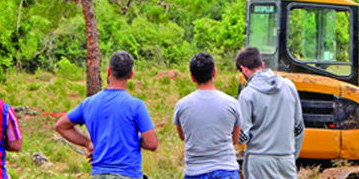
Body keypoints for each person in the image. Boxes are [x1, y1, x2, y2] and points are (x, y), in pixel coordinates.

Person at [54, 51, 158, 179]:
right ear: (131, 74)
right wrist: (135, 140)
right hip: (128, 174)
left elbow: (61, 126)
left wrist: (87, 143)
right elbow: (152, 144)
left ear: (108, 71)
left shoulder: (89, 103)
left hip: (99, 174)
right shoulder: (136, 105)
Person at [235, 47, 304, 179]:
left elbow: (243, 137)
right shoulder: (289, 86)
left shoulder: (247, 94)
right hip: (286, 158)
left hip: (259, 160)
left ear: (243, 69)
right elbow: (299, 128)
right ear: (262, 65)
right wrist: (291, 155)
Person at [173, 52, 241, 179]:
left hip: (195, 171)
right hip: (226, 170)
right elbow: (235, 139)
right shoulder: (232, 104)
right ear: (214, 72)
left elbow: (183, 136)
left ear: (192, 77)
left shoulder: (181, 106)